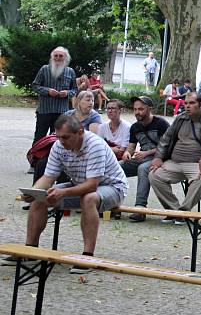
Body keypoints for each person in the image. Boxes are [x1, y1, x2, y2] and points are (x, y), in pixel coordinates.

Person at [1, 114, 127, 274]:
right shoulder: (58, 146)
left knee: (88, 198)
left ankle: (87, 256)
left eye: (66, 137)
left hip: (113, 187)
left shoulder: (95, 145)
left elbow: (91, 185)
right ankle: (30, 251)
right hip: (80, 184)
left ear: (80, 132)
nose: (61, 141)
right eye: (59, 137)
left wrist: (64, 192)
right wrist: (34, 192)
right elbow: (48, 177)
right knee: (40, 197)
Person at [148, 93, 201, 222]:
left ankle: (183, 211)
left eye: (192, 103)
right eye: (186, 103)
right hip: (174, 162)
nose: (187, 106)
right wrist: (158, 157)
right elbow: (166, 139)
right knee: (154, 175)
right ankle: (174, 211)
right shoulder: (180, 119)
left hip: (196, 164)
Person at [121, 96, 171, 222]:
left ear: (149, 109)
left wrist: (147, 152)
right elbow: (131, 147)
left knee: (143, 169)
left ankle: (140, 208)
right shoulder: (135, 127)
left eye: (141, 109)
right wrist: (127, 153)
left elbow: (167, 146)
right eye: (135, 109)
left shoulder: (161, 124)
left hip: (160, 159)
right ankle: (106, 203)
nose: (137, 112)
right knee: (116, 166)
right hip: (143, 157)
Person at [31, 46, 77, 147]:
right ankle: (34, 162)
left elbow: (75, 89)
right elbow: (35, 86)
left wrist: (67, 93)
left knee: (59, 139)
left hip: (62, 112)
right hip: (44, 111)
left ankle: (55, 161)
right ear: (52, 57)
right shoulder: (44, 69)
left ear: (65, 58)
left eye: (61, 56)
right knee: (39, 138)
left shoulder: (70, 71)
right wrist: (48, 91)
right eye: (55, 55)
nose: (58, 58)